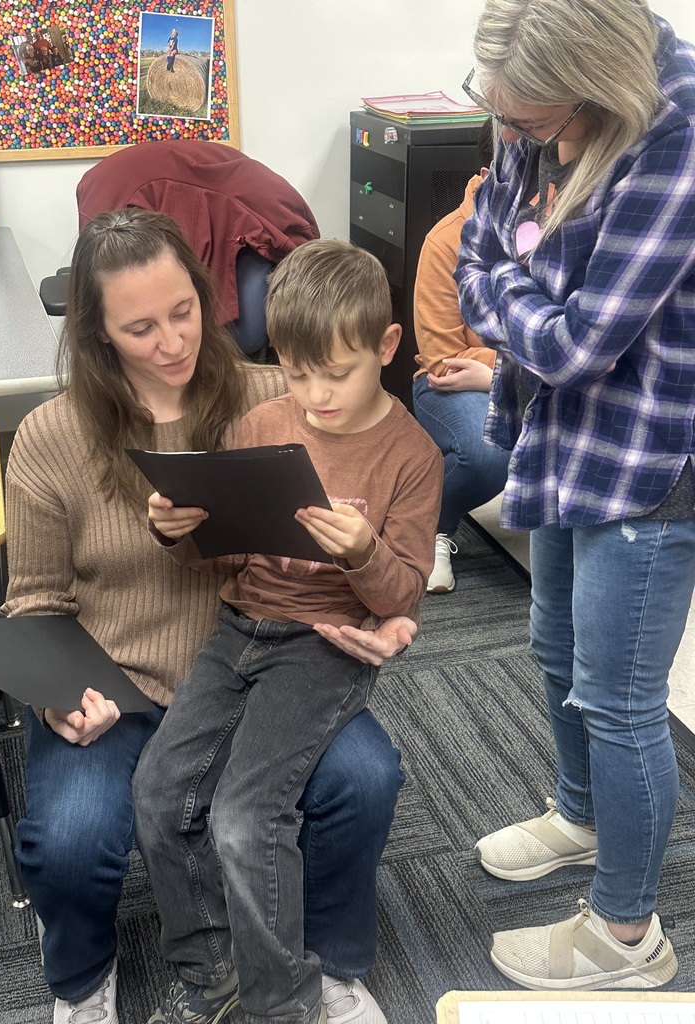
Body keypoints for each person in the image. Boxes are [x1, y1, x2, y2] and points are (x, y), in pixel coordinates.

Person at [1, 209, 415, 1024]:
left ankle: (326, 962)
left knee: (365, 782)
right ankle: (83, 981)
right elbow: (35, 601)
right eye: (140, 327)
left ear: (205, 293)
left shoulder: (281, 398)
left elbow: (379, 524)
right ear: (96, 334)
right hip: (114, 684)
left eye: (184, 311)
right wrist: (57, 695)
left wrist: (389, 614)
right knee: (73, 838)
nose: (171, 342)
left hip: (262, 665)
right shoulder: (52, 437)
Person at [134, 237, 443, 1024]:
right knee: (160, 791)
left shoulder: (410, 455)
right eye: (296, 370)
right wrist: (182, 529)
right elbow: (223, 559)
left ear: (385, 347)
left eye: (334, 373)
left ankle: (283, 1006)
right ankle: (211, 974)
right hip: (238, 626)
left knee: (245, 816)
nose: (314, 394)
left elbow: (404, 590)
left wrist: (366, 553)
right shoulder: (265, 420)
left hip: (324, 644)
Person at [455, 0, 695, 992]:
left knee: (621, 698)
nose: (507, 138)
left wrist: (516, 300)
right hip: (560, 433)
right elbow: (475, 255)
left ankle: (627, 938)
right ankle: (581, 816)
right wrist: (524, 300)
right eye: (497, 115)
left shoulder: (675, 145)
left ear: (593, 92)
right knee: (555, 647)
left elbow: (579, 342)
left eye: (525, 123)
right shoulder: (534, 111)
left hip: (649, 457)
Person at [412, 118, 509, 593]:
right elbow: (442, 361)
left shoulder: (558, 223)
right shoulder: (446, 240)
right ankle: (431, 528)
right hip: (448, 383)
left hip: (507, 375)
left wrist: (497, 371)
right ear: (492, 171)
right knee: (489, 452)